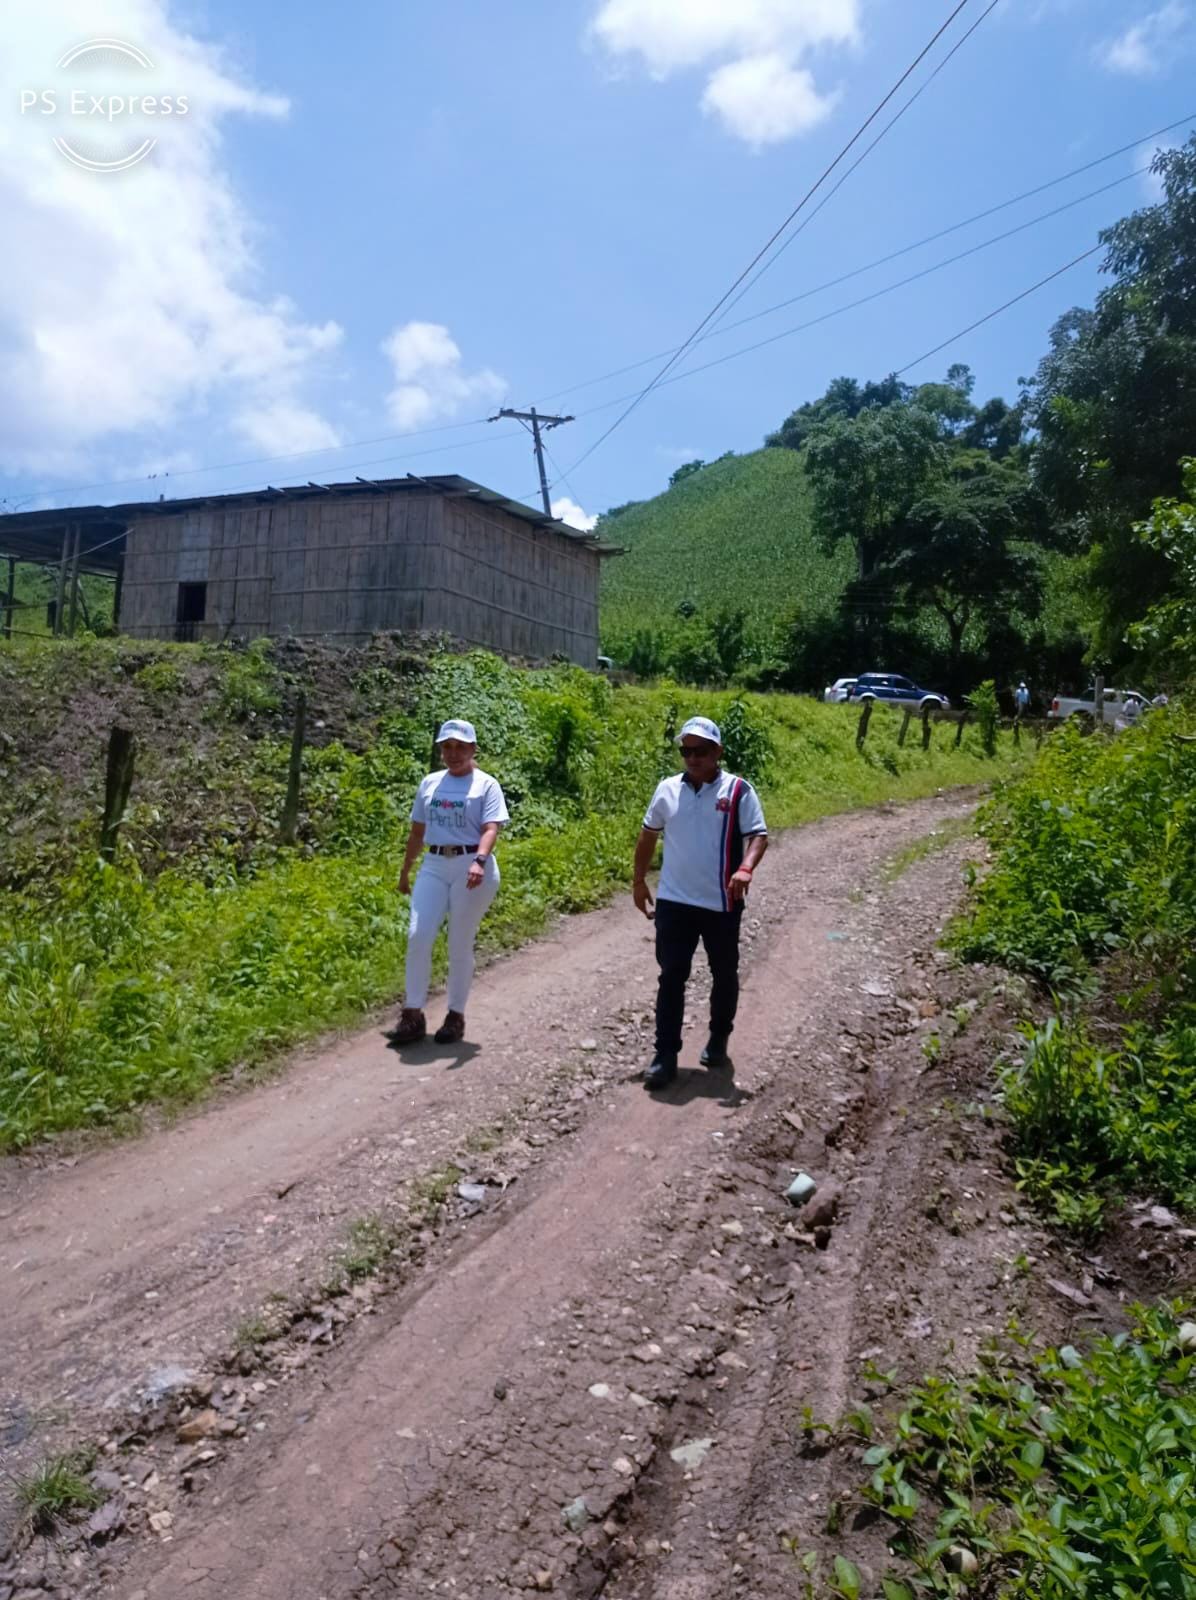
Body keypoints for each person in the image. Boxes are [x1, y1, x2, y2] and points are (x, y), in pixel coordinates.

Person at [633, 716, 769, 1091]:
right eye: (686, 751)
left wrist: (745, 868)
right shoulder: (667, 789)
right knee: (671, 976)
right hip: (674, 901)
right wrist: (639, 881)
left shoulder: (738, 791)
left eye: (701, 751)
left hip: (721, 902)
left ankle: (719, 1038)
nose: (693, 758)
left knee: (724, 972)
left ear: (717, 752)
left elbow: (758, 835)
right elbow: (647, 836)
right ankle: (665, 1055)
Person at [391, 719, 509, 1046]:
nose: (453, 753)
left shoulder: (486, 785)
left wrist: (479, 861)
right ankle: (413, 1014)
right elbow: (418, 832)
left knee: (459, 941)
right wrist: (405, 871)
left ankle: (455, 1015)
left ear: (473, 749)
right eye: (447, 747)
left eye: (460, 747)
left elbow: (491, 828)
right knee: (418, 934)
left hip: (470, 866)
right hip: (434, 863)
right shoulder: (430, 783)